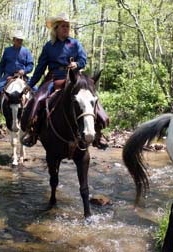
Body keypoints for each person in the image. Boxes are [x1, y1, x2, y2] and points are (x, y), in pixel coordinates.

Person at [21, 12, 109, 149]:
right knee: (37, 100)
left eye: (68, 26)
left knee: (91, 99)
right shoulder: (48, 46)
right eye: (63, 26)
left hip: (74, 78)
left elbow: (83, 59)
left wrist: (77, 65)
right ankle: (32, 132)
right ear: (56, 29)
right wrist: (30, 84)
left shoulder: (75, 44)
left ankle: (98, 134)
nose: (66, 29)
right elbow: (40, 68)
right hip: (54, 78)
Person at [0, 31, 34, 119]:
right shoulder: (7, 51)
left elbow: (30, 65)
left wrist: (24, 71)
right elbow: (1, 65)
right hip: (8, 75)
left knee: (36, 89)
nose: (20, 41)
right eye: (18, 40)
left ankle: (35, 113)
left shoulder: (26, 51)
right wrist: (0, 77)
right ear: (13, 40)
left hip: (22, 76)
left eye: (21, 40)